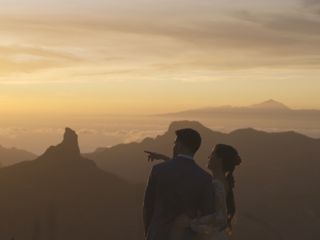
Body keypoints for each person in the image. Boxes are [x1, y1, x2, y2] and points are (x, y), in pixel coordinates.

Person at [145, 144, 241, 240]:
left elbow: (221, 217)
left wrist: (191, 222)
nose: (208, 157)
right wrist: (163, 158)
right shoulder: (218, 181)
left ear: (219, 160)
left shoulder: (217, 185)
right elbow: (188, 171)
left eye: (212, 154)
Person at [143, 128, 215, 240]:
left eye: (175, 143)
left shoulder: (158, 170)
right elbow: (208, 214)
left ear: (180, 145)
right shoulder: (205, 178)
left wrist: (149, 232)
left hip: (157, 234)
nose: (174, 146)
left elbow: (148, 206)